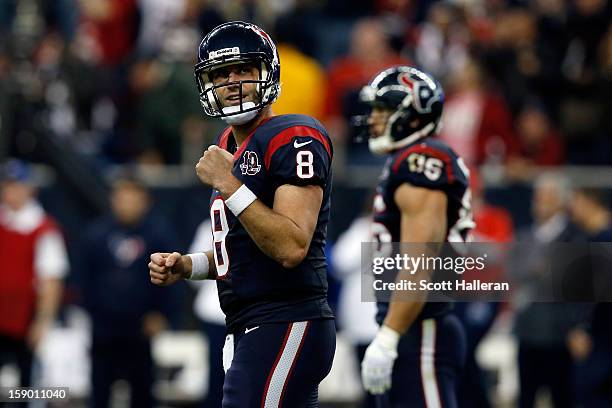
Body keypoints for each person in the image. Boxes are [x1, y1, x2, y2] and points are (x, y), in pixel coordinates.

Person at [148, 21, 336, 407]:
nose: (231, 81)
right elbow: (242, 248)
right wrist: (188, 266)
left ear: (267, 73)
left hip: (285, 318)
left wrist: (229, 183)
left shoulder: (294, 134)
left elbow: (290, 245)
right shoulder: (227, 144)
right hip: (250, 324)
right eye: (220, 73)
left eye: (243, 70)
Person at [358, 66, 473, 406]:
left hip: (422, 327)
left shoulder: (421, 158)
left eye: (383, 109)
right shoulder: (404, 161)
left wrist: (389, 336)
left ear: (411, 114)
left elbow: (420, 262)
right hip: (411, 325)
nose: (374, 118)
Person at [77, 177, 182, 408]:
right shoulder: (97, 234)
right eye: (121, 198)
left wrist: (162, 315)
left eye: (132, 198)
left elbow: (175, 276)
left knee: (142, 392)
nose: (126, 204)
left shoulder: (158, 234)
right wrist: (91, 315)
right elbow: (84, 279)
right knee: (100, 390)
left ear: (145, 201)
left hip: (141, 327)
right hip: (104, 328)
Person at [0, 159, 68, 388]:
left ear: (30, 189)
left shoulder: (43, 228)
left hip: (23, 320)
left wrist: (43, 320)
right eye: (8, 185)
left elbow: (51, 279)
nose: (12, 192)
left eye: (17, 186)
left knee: (24, 385)